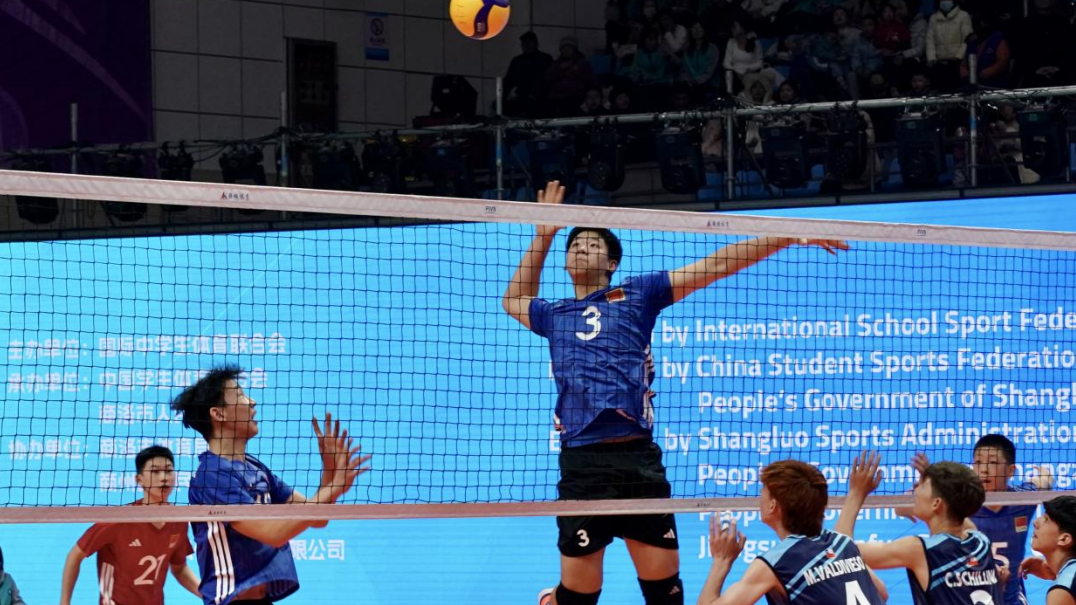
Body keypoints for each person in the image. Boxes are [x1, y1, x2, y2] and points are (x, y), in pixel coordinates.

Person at [503, 181, 847, 605]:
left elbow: (715, 265)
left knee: (666, 597)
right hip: (583, 464)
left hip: (637, 461)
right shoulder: (554, 314)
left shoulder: (637, 294)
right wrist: (543, 235)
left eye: (592, 244)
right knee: (578, 599)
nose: (580, 249)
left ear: (611, 263)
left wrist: (785, 236)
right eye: (573, 245)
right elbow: (514, 299)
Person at [171, 365, 370, 605]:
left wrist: (328, 471)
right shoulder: (212, 475)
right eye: (240, 395)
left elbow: (318, 518)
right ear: (218, 414)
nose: (252, 402)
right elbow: (273, 534)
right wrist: (333, 487)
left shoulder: (255, 467)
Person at [697, 459, 888, 605]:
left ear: (772, 506)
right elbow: (881, 592)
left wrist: (721, 561)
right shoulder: (844, 543)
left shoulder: (776, 563)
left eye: (763, 491)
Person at [903, 435, 1054, 605]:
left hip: (1011, 600)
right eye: (978, 462)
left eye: (993, 462)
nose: (984, 469)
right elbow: (900, 507)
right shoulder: (959, 502)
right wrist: (930, 485)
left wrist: (1046, 476)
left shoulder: (1022, 500)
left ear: (1011, 470)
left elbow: (1043, 482)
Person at [840, 452, 1005, 605]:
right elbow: (961, 513)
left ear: (936, 503)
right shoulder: (981, 542)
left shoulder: (920, 550)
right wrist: (936, 480)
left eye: (922, 486)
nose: (916, 489)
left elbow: (840, 553)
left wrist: (856, 493)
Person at [59, 445, 198, 605]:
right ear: (139, 479)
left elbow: (179, 569)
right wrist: (64, 602)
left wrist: (210, 596)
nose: (164, 477)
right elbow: (74, 556)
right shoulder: (118, 520)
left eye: (168, 471)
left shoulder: (178, 521)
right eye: (155, 472)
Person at [1019, 496, 1076, 605]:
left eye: (1046, 520)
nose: (1035, 522)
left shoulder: (1061, 593)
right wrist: (1055, 572)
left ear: (1064, 539)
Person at [504, 31, 555, 118]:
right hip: (520, 96)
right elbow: (508, 80)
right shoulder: (517, 61)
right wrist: (507, 94)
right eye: (524, 43)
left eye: (529, 42)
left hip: (538, 98)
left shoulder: (545, 59)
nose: (527, 46)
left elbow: (545, 80)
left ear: (536, 44)